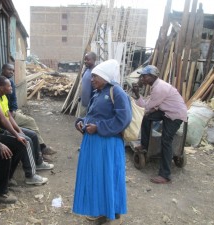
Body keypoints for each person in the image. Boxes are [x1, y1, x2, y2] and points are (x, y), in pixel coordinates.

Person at [73, 59, 132, 225]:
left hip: (107, 144)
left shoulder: (117, 92)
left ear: (105, 77)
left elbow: (124, 119)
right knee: (103, 176)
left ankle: (104, 213)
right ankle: (112, 209)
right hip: (96, 142)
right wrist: (81, 121)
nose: (92, 80)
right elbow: (94, 115)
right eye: (92, 77)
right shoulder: (98, 92)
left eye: (95, 77)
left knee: (104, 177)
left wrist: (98, 128)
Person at [132, 65, 188, 184]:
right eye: (142, 76)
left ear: (152, 76)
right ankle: (145, 145)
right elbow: (150, 107)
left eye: (144, 76)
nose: (142, 78)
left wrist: (137, 95)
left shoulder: (159, 88)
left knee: (166, 142)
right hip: (166, 110)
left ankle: (165, 175)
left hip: (174, 115)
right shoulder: (156, 85)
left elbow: (147, 107)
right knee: (146, 118)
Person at [0, 76, 54, 182]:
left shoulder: (4, 97)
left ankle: (38, 162)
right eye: (9, 86)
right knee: (25, 140)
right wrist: (17, 134)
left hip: (6, 126)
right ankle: (30, 175)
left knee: (33, 134)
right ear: (2, 88)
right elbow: (1, 122)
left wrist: (19, 130)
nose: (11, 87)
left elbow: (9, 116)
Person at [0, 63, 57, 160]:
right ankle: (41, 149)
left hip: (10, 112)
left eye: (13, 70)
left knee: (28, 127)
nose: (11, 72)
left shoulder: (8, 83)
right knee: (30, 124)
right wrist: (16, 130)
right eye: (9, 70)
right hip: (7, 115)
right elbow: (4, 115)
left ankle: (40, 149)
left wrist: (14, 110)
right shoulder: (1, 84)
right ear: (3, 69)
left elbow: (12, 100)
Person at [76, 51, 96, 117]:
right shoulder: (86, 70)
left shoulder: (95, 73)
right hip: (83, 103)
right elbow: (84, 85)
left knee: (87, 123)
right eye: (85, 59)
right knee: (81, 122)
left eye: (88, 60)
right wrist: (80, 97)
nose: (85, 61)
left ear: (94, 60)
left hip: (91, 105)